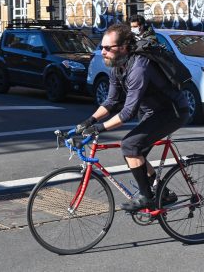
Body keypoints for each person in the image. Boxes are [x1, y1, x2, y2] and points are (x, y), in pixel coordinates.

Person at [76, 23, 190, 212]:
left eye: (107, 48)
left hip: (173, 111)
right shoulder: (117, 67)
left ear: (122, 48)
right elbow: (111, 102)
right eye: (101, 47)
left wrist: (100, 128)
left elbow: (128, 112)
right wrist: (89, 121)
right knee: (135, 154)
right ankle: (164, 193)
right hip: (152, 112)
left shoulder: (139, 66)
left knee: (129, 145)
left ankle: (146, 197)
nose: (102, 52)